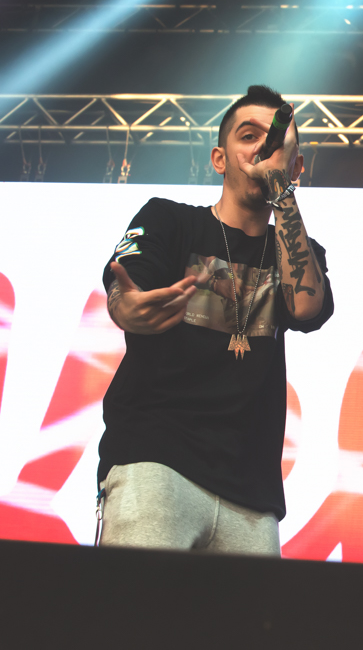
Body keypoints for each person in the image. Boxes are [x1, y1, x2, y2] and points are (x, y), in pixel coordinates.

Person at [98, 84, 334, 556]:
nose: (262, 149)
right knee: (137, 604)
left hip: (252, 493)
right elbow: (126, 288)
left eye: (275, 142)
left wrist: (281, 187)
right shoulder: (169, 220)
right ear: (219, 159)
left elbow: (306, 308)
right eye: (248, 136)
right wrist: (129, 309)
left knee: (252, 611)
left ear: (296, 166)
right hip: (156, 459)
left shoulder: (299, 250)